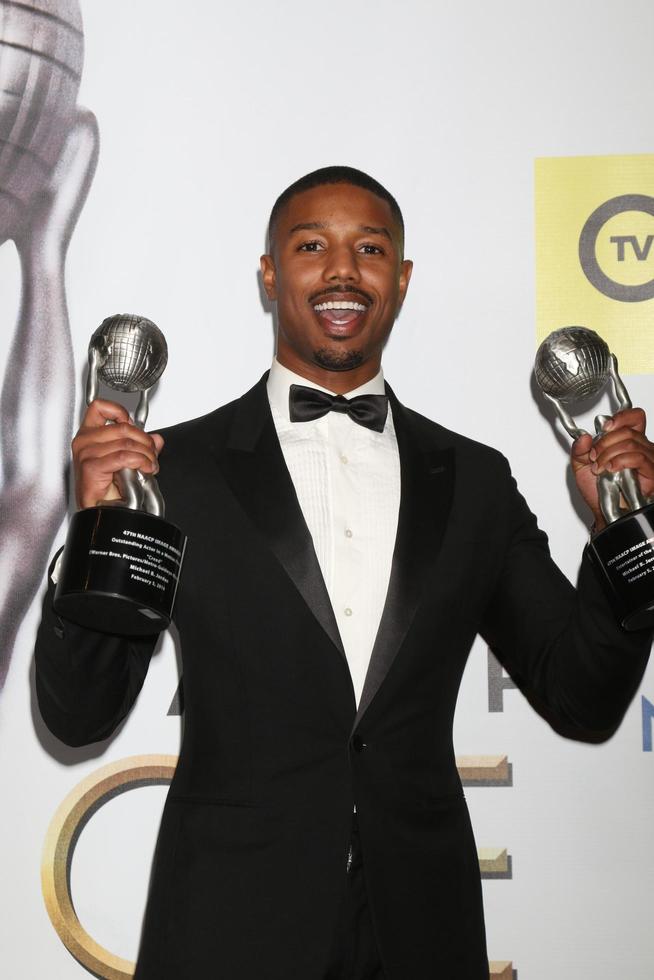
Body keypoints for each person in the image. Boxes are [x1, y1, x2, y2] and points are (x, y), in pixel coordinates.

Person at [35, 166, 654, 980]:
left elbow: (582, 696)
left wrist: (626, 533)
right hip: (227, 929)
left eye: (369, 248)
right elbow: (78, 715)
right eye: (310, 246)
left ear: (399, 279)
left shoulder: (473, 479)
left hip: (422, 933)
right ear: (268, 274)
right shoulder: (172, 471)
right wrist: (99, 529)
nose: (341, 270)